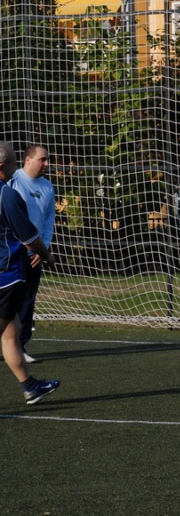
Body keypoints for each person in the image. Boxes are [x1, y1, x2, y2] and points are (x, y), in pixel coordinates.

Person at [0, 142, 60, 404]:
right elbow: (28, 236)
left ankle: (31, 386)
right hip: (6, 274)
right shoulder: (7, 194)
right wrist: (46, 254)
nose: (17, 166)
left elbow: (43, 224)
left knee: (11, 332)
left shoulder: (42, 187)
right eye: (15, 161)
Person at [9, 145, 55, 363]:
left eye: (47, 159)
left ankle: (20, 347)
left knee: (27, 302)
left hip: (34, 255)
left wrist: (42, 248)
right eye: (42, 159)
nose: (47, 164)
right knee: (7, 301)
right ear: (28, 160)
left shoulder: (47, 186)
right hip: (11, 252)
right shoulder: (12, 180)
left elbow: (48, 220)